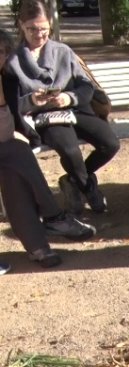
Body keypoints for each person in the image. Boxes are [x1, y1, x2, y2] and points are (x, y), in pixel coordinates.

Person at [8, 0, 120, 215]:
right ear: (21, 25)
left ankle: (72, 181)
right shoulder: (13, 61)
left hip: (74, 109)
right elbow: (12, 104)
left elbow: (86, 87)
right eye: (32, 29)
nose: (38, 35)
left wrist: (69, 98)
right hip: (45, 118)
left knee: (110, 143)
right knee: (70, 150)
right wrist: (32, 100)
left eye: (43, 29)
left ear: (50, 23)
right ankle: (89, 188)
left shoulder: (63, 51)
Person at [0, 27, 95, 268]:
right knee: (17, 154)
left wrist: (19, 130)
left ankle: (38, 247)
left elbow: (11, 117)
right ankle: (54, 216)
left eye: (2, 51)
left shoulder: (7, 80)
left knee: (14, 176)